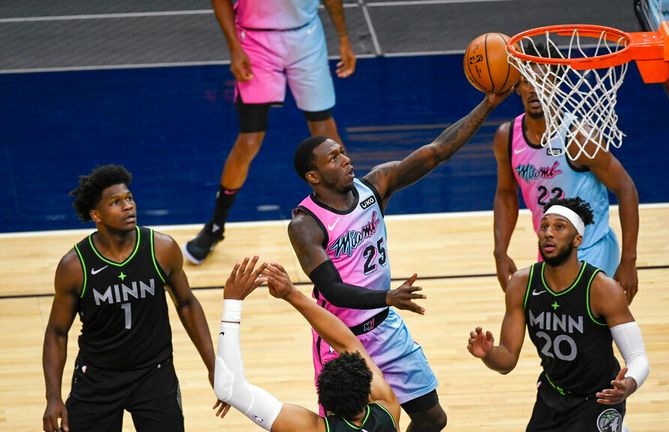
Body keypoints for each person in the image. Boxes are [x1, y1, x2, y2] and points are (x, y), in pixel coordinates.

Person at [288, 90, 510, 431]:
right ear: (313, 176)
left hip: (385, 329)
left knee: (432, 418)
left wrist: (489, 103)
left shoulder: (375, 185)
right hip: (342, 342)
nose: (345, 159)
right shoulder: (305, 225)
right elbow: (331, 289)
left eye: (343, 153)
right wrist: (387, 297)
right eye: (333, 158)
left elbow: (438, 152)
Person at [42, 165, 227, 432]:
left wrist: (213, 366)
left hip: (154, 373)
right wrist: (52, 396)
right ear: (97, 215)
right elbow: (57, 332)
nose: (128, 206)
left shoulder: (161, 248)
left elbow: (186, 304)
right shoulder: (75, 266)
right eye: (115, 202)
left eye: (129, 198)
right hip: (97, 377)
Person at [183, 0, 356, 265]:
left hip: (306, 37)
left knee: (325, 131)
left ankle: (354, 220)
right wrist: (234, 48)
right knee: (249, 141)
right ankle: (215, 227)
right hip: (254, 41)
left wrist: (344, 38)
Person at [468, 197, 649, 432]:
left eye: (559, 227)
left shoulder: (602, 289)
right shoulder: (522, 284)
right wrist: (488, 353)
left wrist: (629, 385)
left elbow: (638, 357)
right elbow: (507, 361)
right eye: (544, 227)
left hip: (599, 398)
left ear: (577, 240)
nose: (548, 233)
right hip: (553, 395)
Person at [492, 70, 640, 303]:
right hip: (551, 249)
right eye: (527, 81)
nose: (534, 88)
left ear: (557, 84)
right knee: (557, 333)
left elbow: (626, 188)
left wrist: (629, 260)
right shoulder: (507, 137)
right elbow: (505, 194)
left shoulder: (579, 138)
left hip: (592, 248)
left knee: (587, 332)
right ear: (517, 88)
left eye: (542, 79)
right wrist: (500, 251)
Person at [213, 256, 401, 431]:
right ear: (368, 390)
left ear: (325, 403)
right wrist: (291, 294)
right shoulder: (388, 408)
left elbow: (229, 388)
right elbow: (348, 344)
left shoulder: (315, 428)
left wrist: (233, 302)